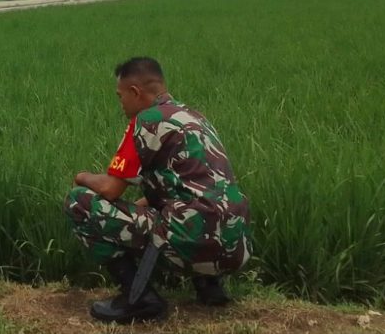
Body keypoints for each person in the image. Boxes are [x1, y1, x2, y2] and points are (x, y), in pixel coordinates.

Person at [65, 57, 252, 323]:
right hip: (236, 245)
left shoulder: (147, 120)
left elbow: (110, 189)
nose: (120, 104)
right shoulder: (194, 117)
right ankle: (209, 287)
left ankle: (138, 297)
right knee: (184, 207)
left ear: (135, 92)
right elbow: (187, 188)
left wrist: (81, 176)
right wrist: (133, 213)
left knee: (79, 202)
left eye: (120, 97)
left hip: (193, 241)